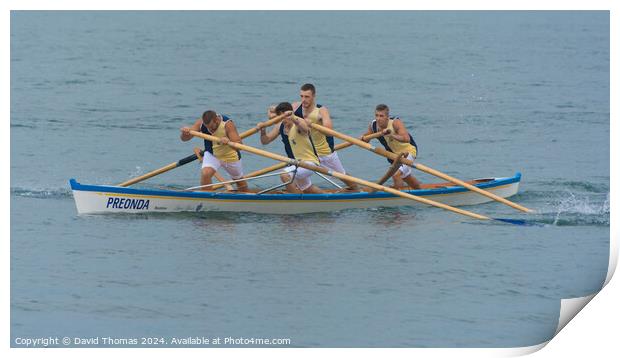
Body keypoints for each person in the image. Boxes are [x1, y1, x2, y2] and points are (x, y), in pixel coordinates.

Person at [291, 83, 358, 190]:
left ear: (313, 96)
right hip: (306, 153)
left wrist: (313, 125)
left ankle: (357, 190)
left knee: (342, 175)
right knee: (292, 174)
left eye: (307, 97)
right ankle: (299, 193)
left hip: (324, 153)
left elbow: (329, 131)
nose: (304, 100)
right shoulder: (295, 107)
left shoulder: (321, 111)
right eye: (301, 96)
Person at [257, 102, 324, 194]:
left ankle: (296, 201)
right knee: (307, 188)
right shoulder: (281, 127)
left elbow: (306, 129)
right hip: (298, 163)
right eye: (281, 117)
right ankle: (331, 198)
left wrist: (292, 116)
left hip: (310, 163)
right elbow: (265, 141)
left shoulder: (298, 124)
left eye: (284, 116)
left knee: (284, 175)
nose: (284, 120)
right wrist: (263, 130)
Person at [180, 110, 248, 191]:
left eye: (212, 127)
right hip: (212, 155)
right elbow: (184, 139)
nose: (210, 129)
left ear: (217, 120)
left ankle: (248, 199)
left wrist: (228, 141)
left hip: (230, 155)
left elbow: (239, 146)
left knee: (240, 182)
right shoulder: (200, 123)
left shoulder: (227, 124)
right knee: (205, 173)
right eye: (207, 127)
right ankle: (206, 199)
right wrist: (185, 133)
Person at [362, 104, 422, 189]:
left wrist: (392, 135)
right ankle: (420, 192)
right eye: (376, 115)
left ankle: (398, 199)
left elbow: (406, 139)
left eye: (381, 116)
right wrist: (362, 138)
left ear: (387, 117)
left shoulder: (395, 122)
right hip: (393, 155)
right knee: (405, 176)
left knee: (396, 175)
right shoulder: (373, 125)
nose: (378, 118)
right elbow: (366, 139)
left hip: (408, 152)